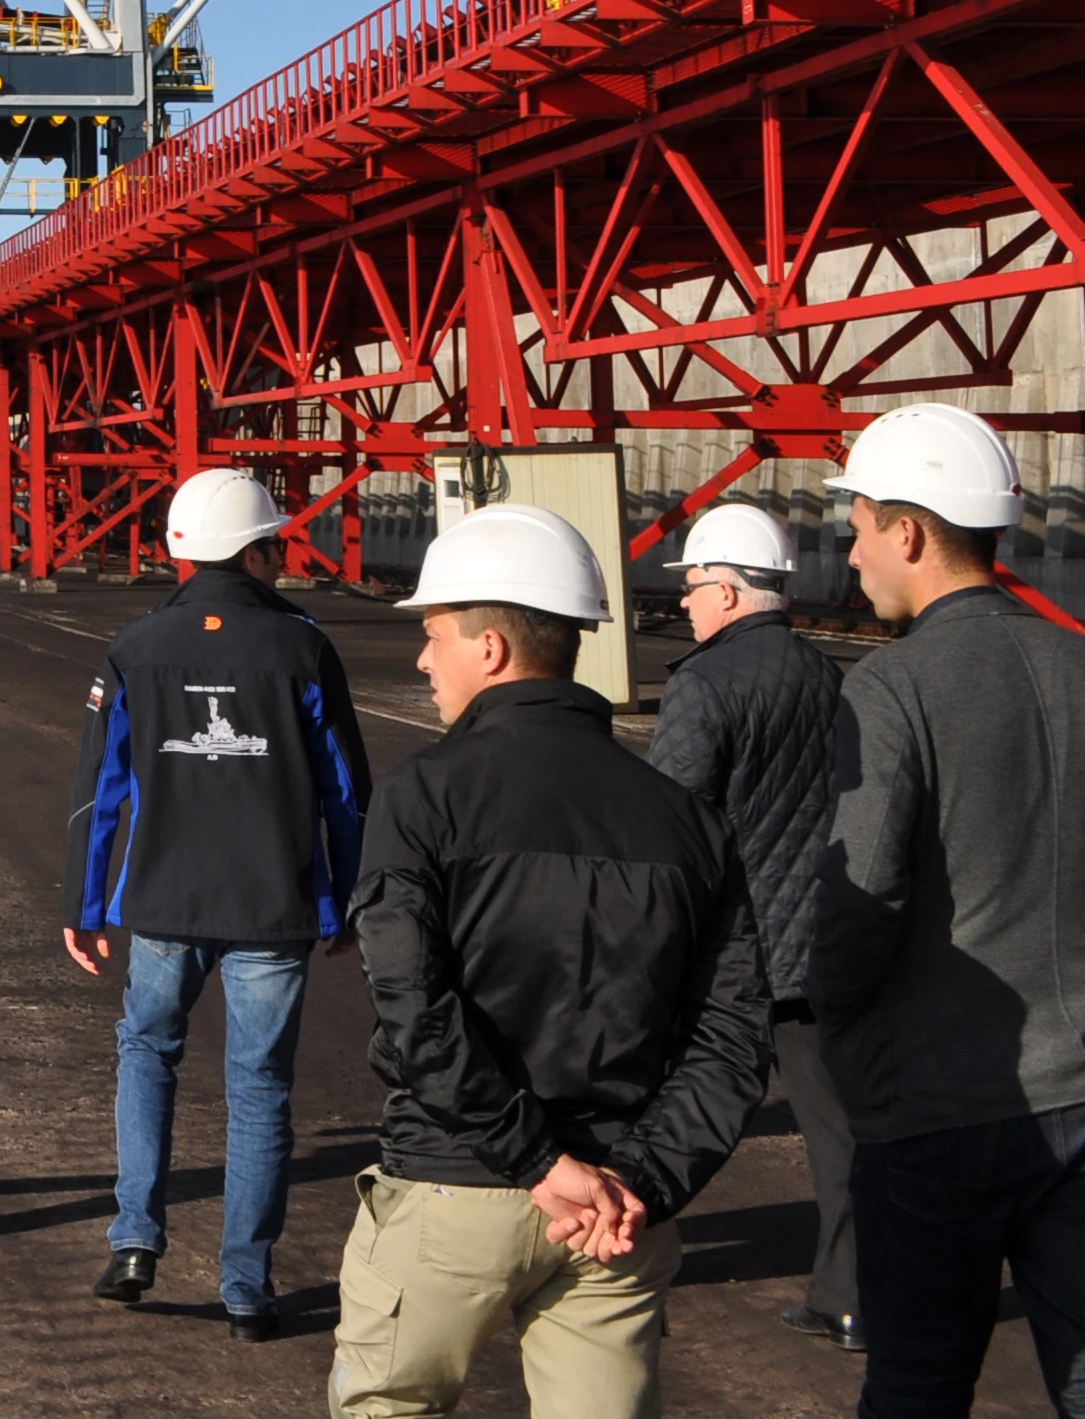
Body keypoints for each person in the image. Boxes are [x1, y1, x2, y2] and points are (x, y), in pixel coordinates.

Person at [811, 403, 1085, 1419]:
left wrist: (845, 1028)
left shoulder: (891, 690)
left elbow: (860, 892)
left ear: (910, 532)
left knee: (917, 1382)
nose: (852, 548)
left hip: (932, 1104)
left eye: (861, 523)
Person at [330, 502, 770, 1419]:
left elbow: (414, 1011)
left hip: (455, 1188)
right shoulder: (685, 820)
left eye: (435, 636)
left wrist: (536, 1161)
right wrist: (642, 1181)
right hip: (615, 1213)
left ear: (491, 649)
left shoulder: (420, 797)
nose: (422, 659)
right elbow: (731, 1039)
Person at [63, 466, 372, 1341]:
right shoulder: (304, 648)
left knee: (147, 1055)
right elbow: (346, 792)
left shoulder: (134, 646)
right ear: (260, 550)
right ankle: (247, 1285)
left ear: (182, 551)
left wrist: (83, 903)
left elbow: (100, 790)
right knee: (260, 1089)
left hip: (162, 899)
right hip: (272, 905)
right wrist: (348, 902)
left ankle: (134, 1241)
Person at [639, 497, 859, 1352]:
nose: (685, 602)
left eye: (692, 586)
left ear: (728, 592)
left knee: (672, 1106)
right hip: (817, 936)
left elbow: (672, 819)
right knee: (834, 1127)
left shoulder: (703, 682)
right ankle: (850, 1297)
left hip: (730, 943)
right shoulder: (822, 671)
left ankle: (621, 1249)